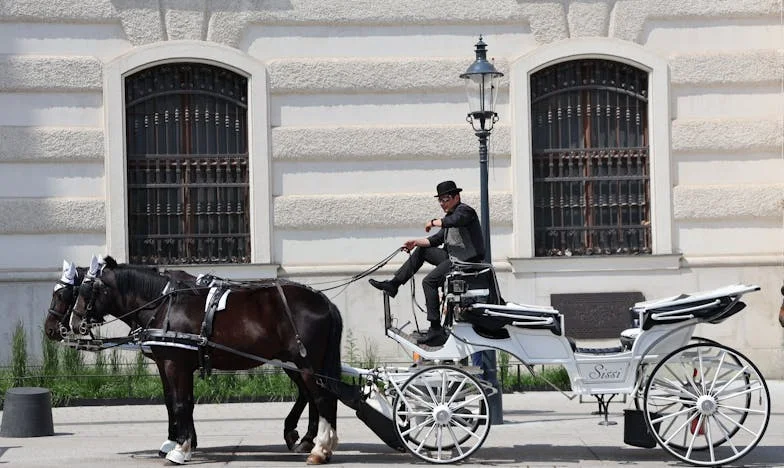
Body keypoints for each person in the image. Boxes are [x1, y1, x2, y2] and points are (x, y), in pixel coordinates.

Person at [369, 180, 485, 345]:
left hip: (465, 263)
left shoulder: (465, 212)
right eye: (440, 200)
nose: (442, 203)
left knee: (429, 281)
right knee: (422, 250)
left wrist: (433, 222)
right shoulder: (449, 216)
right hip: (452, 258)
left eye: (445, 199)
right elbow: (436, 240)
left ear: (456, 197)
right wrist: (415, 242)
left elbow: (454, 221)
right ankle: (394, 284)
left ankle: (435, 329)